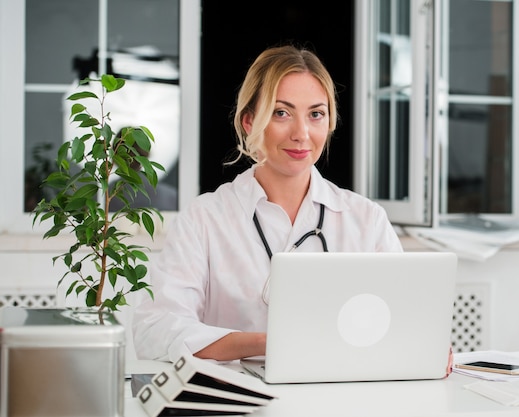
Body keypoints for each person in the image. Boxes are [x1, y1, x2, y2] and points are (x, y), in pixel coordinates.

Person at [132, 45, 404, 363]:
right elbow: (155, 330)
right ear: (250, 121)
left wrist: (427, 347)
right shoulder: (205, 218)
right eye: (281, 113)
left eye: (316, 114)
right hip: (238, 402)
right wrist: (267, 342)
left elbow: (403, 323)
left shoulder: (366, 220)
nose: (301, 134)